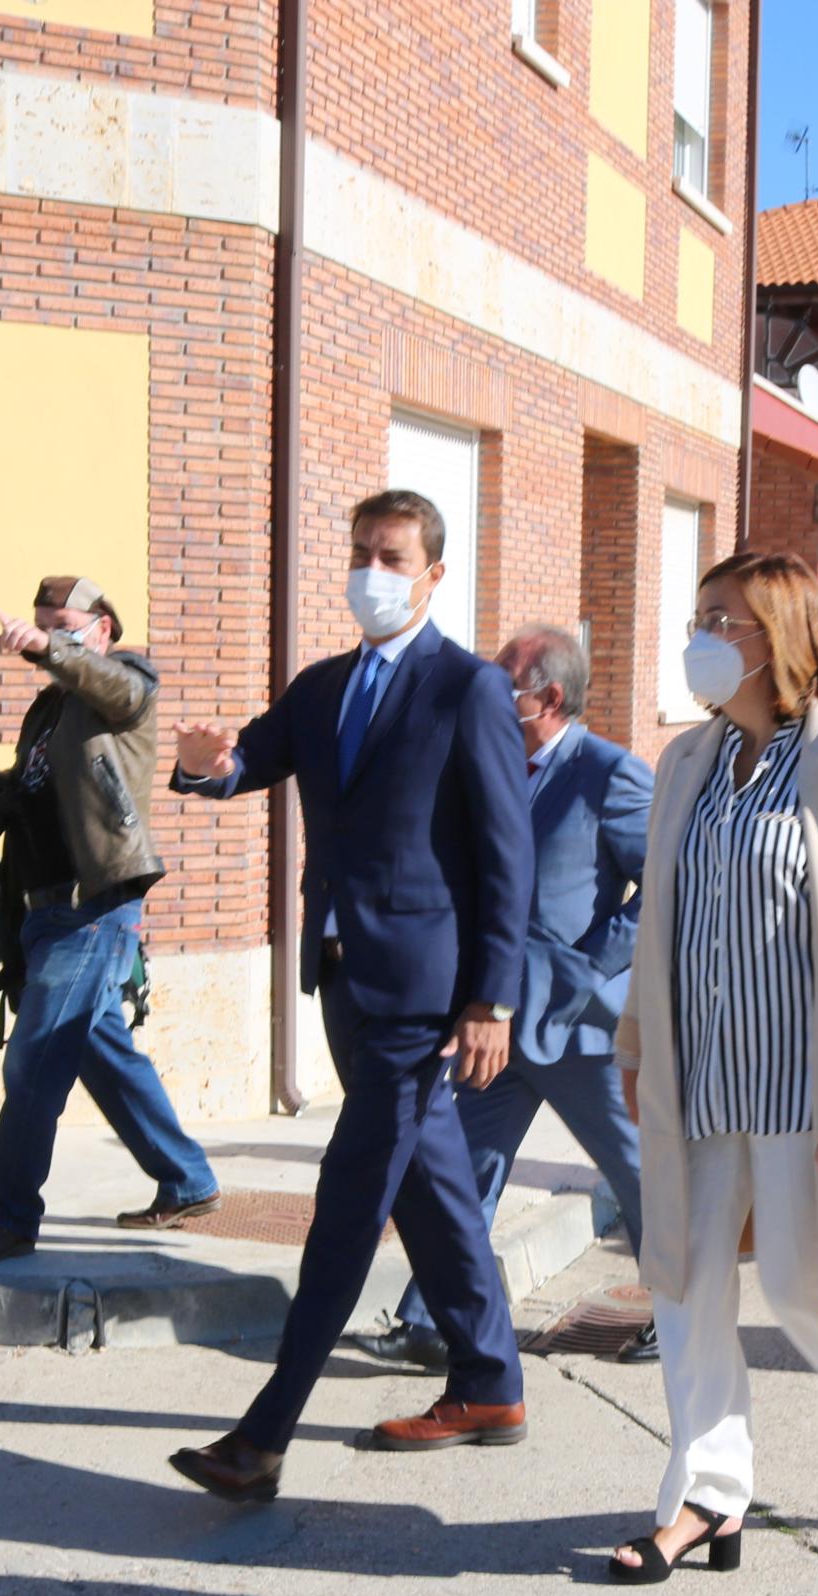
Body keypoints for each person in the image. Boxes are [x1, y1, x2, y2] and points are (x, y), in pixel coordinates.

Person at [162, 492, 536, 1501]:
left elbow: (509, 858)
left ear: (433, 575)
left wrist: (492, 999)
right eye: (362, 552)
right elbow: (249, 759)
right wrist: (206, 768)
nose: (372, 570)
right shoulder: (323, 685)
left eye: (393, 555)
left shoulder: (470, 689)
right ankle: (490, 1378)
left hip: (427, 994)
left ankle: (265, 1431)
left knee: (350, 1197)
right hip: (342, 980)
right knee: (433, 1185)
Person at [604, 551, 818, 1582]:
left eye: (721, 619)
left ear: (780, 637)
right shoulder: (686, 761)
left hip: (807, 1084)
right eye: (699, 615)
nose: (702, 635)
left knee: (798, 1289)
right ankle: (704, 1495)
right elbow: (663, 921)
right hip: (697, 1078)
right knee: (685, 1290)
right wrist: (635, 1042)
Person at [353, 625, 653, 1371]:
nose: (486, 694)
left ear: (549, 697)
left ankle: (678, 1316)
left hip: (579, 1029)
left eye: (503, 683)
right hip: (493, 1021)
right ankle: (432, 1321)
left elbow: (666, 890)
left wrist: (586, 969)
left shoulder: (609, 773)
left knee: (643, 1174)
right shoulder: (483, 765)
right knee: (461, 1171)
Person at [0, 579, 222, 1261]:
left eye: (64, 624)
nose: (48, 634)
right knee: (100, 1049)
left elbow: (115, 686)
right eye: (41, 625)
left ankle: (9, 1217)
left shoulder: (125, 687)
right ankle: (187, 1179)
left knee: (33, 1064)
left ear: (103, 630)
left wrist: (47, 649)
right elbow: (30, 792)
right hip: (41, 907)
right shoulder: (49, 710)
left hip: (91, 905)